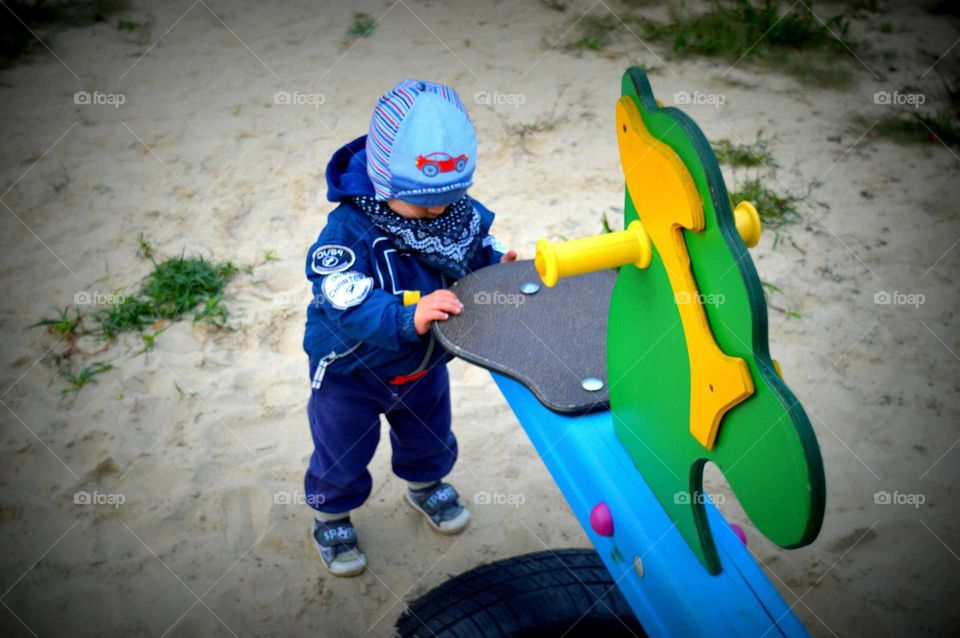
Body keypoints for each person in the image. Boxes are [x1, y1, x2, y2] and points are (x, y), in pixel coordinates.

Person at [302, 79, 517, 576]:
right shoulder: (348, 231)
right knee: (342, 452)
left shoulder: (452, 210)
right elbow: (344, 298)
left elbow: (474, 248)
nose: (438, 212)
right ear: (385, 183)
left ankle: (426, 486)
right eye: (423, 205)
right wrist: (408, 314)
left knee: (430, 437)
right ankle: (331, 517)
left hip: (423, 366)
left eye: (450, 199)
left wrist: (495, 266)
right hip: (352, 373)